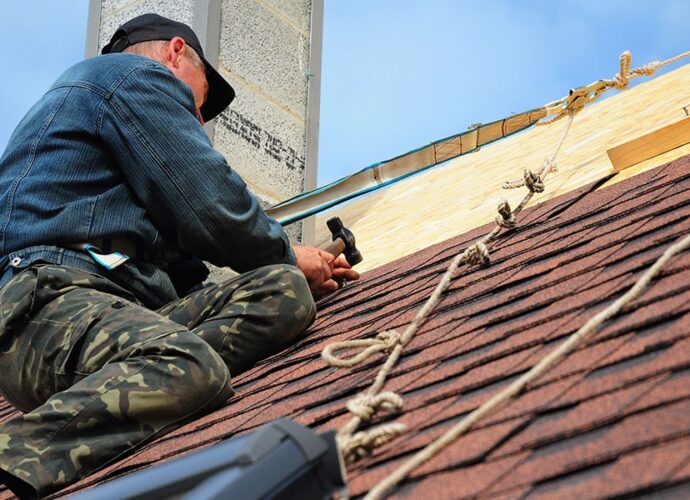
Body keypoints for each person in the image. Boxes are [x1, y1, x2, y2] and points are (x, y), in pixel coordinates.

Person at [0, 13, 358, 499]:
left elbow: (192, 275)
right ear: (173, 53)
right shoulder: (129, 77)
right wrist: (287, 251)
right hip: (44, 305)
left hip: (107, 313)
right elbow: (210, 204)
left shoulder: (113, 157)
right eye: (199, 103)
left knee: (283, 292)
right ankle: (12, 452)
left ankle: (149, 370)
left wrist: (289, 269)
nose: (198, 121)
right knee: (192, 365)